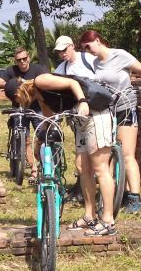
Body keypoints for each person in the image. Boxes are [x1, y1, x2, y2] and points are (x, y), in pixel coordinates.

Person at [17, 72, 118, 237]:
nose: (22, 104)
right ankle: (89, 215)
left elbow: (72, 84)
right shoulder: (42, 97)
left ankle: (108, 220)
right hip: (82, 123)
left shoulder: (41, 81)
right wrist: (38, 143)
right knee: (82, 167)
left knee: (100, 168)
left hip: (96, 114)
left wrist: (83, 101)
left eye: (19, 99)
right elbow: (48, 122)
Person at [78, 29, 141, 214]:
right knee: (107, 154)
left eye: (88, 46)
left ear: (97, 40)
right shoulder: (95, 63)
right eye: (84, 49)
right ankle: (110, 196)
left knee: (127, 154)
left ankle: (134, 197)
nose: (88, 51)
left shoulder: (120, 55)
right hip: (107, 109)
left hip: (126, 105)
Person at [52, 35, 99, 204]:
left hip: (97, 111)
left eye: (65, 50)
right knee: (82, 156)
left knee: (96, 155)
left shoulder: (88, 59)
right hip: (77, 116)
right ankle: (81, 188)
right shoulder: (61, 69)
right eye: (59, 52)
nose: (62, 54)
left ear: (72, 46)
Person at [0, 48, 48, 181]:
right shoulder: (11, 70)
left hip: (37, 108)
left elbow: (48, 80)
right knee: (25, 140)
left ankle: (44, 164)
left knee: (43, 136)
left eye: (24, 58)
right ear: (16, 61)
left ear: (29, 58)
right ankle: (34, 170)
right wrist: (15, 83)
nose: (22, 62)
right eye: (19, 60)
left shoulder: (38, 69)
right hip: (19, 107)